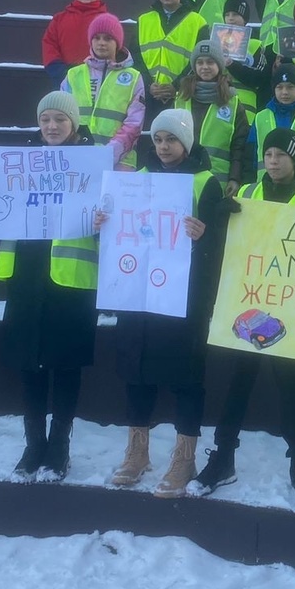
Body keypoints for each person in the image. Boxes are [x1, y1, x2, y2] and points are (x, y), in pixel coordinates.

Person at [190, 128, 295, 509]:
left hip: (294, 308)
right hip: (251, 307)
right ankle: (222, 458)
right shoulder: (248, 195)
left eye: (281, 155)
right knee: (238, 382)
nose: (272, 161)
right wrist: (220, 218)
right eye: (268, 154)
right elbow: (226, 248)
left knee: (292, 387)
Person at [103, 109, 232, 498]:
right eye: (158, 139)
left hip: (182, 296)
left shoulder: (206, 183)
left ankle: (184, 457)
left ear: (187, 143)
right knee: (136, 371)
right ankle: (137, 451)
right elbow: (118, 231)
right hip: (138, 292)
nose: (163, 147)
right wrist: (102, 222)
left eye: (171, 140)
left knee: (186, 378)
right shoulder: (136, 180)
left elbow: (221, 245)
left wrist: (204, 235)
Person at [0, 92, 99, 482]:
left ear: (73, 124)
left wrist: (107, 215)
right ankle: (33, 443)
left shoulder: (94, 165)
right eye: (45, 120)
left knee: (66, 364)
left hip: (71, 278)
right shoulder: (15, 164)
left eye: (60, 119)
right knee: (30, 364)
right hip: (26, 271)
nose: (52, 127)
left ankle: (60, 445)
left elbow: (112, 216)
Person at [61, 12, 144, 169]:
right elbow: (62, 117)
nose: (101, 43)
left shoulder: (133, 77)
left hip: (120, 162)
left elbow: (134, 124)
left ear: (117, 42)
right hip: (77, 158)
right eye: (96, 38)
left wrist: (107, 155)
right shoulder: (73, 74)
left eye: (108, 38)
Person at [131, 0, 209, 125]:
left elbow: (200, 60)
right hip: (148, 96)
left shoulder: (198, 22)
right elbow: (135, 57)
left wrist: (177, 86)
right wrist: (148, 85)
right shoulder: (144, 20)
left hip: (183, 96)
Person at [176, 40, 251, 196]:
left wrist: (235, 178)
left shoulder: (233, 102)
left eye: (210, 62)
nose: (205, 67)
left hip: (218, 181)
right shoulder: (181, 98)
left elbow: (239, 145)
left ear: (219, 66)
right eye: (200, 62)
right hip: (183, 177)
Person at [41, 0, 109, 86]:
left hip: (96, 80)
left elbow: (113, 48)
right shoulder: (59, 18)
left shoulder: (107, 20)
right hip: (64, 79)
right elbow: (49, 44)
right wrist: (59, 71)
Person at [249, 64, 295, 175]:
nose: (284, 92)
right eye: (279, 87)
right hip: (265, 185)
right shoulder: (261, 117)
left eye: (290, 87)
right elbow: (250, 156)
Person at [215, 0, 267, 117]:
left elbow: (259, 79)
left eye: (235, 14)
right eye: (227, 14)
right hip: (219, 107)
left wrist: (232, 65)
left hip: (246, 110)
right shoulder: (215, 43)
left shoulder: (255, 45)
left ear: (245, 19)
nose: (230, 18)